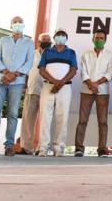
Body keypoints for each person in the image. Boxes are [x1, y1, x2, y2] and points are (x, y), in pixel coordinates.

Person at [0, 16, 34, 156]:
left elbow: (29, 62)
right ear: (10, 26)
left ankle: (9, 146)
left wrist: (14, 75)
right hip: (1, 80)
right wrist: (6, 72)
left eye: (20, 22)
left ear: (23, 25)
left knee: (13, 114)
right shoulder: (3, 40)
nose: (17, 25)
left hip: (17, 83)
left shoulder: (29, 42)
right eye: (15, 23)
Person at [75, 29, 112, 157]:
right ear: (93, 39)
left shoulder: (110, 55)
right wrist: (90, 84)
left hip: (102, 91)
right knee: (82, 120)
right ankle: (79, 148)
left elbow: (111, 72)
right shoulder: (86, 55)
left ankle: (102, 149)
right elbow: (83, 71)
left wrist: (97, 83)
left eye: (101, 38)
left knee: (103, 121)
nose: (99, 40)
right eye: (97, 38)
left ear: (105, 40)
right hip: (86, 90)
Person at [37, 29, 78, 157]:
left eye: (63, 35)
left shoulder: (71, 52)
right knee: (45, 116)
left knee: (62, 116)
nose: (60, 37)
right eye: (58, 35)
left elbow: (73, 70)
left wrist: (60, 83)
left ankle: (59, 147)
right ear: (54, 38)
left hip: (64, 88)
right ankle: (43, 147)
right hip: (48, 86)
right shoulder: (47, 52)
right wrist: (54, 82)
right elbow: (42, 69)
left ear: (66, 38)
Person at [18, 32, 51, 155]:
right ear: (39, 41)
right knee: (28, 120)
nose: (46, 42)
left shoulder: (53, 54)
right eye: (44, 40)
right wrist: (24, 85)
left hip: (47, 90)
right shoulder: (31, 53)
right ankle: (26, 147)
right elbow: (25, 70)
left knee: (46, 121)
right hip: (32, 89)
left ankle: (43, 148)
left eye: (48, 40)